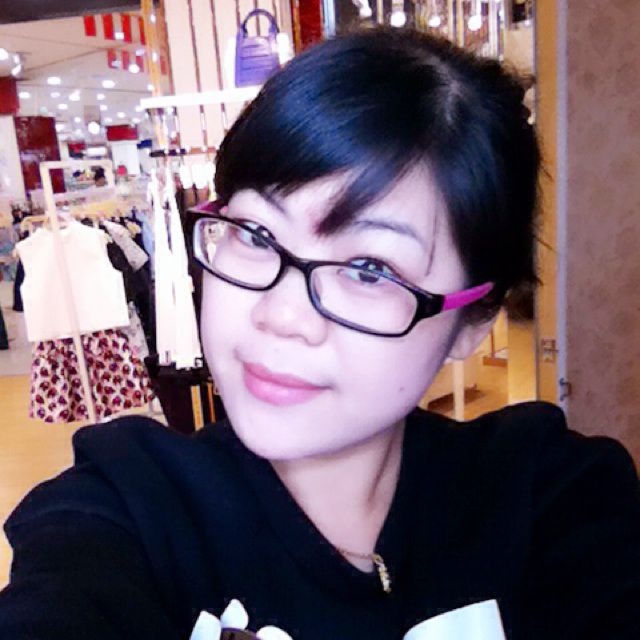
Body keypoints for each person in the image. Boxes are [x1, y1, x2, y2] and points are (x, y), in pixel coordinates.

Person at [1, 28, 639, 640]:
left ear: (472, 320)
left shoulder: (552, 498)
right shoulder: (127, 506)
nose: (281, 316)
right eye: (256, 234)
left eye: (369, 270)